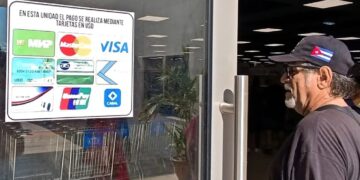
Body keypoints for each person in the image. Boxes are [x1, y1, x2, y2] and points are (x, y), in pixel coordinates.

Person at [267, 35, 360, 180]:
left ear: (323, 77)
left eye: (291, 71)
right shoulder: (353, 120)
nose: (283, 78)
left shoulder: (317, 128)